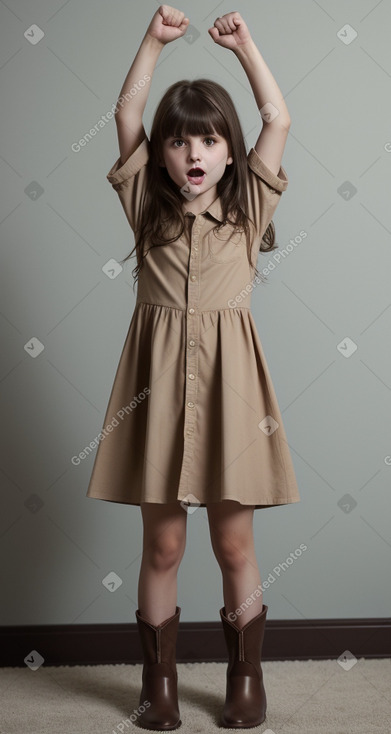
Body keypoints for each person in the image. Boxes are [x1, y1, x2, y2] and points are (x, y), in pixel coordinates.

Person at [86, 5, 300, 730]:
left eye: (207, 139)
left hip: (232, 396)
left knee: (234, 540)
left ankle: (246, 682)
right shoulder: (146, 206)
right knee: (163, 543)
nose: (193, 153)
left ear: (228, 151)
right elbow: (126, 110)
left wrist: (244, 48)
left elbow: (276, 116)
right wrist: (151, 40)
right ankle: (160, 686)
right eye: (178, 143)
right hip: (153, 393)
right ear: (162, 155)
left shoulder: (247, 211)